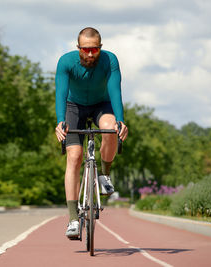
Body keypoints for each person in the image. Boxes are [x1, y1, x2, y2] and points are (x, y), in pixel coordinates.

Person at [54, 27, 128, 239]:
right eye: (85, 49)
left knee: (110, 127)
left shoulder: (110, 60)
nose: (89, 54)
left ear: (100, 47)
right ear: (78, 48)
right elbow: (60, 91)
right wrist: (60, 121)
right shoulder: (66, 62)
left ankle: (104, 175)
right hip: (73, 106)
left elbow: (115, 89)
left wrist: (120, 120)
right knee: (75, 156)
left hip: (101, 104)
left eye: (94, 49)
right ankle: (73, 219)